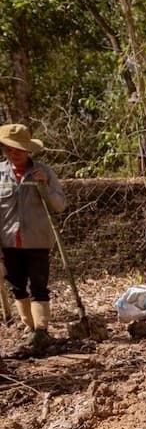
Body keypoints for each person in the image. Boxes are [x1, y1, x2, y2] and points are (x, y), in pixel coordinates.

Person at [0, 123, 67, 349]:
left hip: (37, 240)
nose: (13, 153)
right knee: (17, 286)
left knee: (39, 285)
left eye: (18, 148)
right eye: (8, 148)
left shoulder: (44, 171)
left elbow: (59, 206)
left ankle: (41, 330)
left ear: (28, 149)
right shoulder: (0, 174)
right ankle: (28, 327)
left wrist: (44, 186)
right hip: (8, 241)